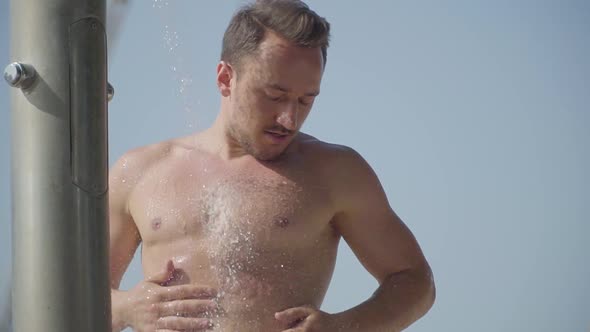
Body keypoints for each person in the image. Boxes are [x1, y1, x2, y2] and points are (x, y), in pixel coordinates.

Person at [109, 1, 435, 331]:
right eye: (275, 95)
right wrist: (127, 309)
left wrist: (343, 327)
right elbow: (69, 294)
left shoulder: (335, 173)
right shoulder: (139, 172)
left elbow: (415, 282)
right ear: (225, 78)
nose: (288, 119)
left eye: (306, 99)